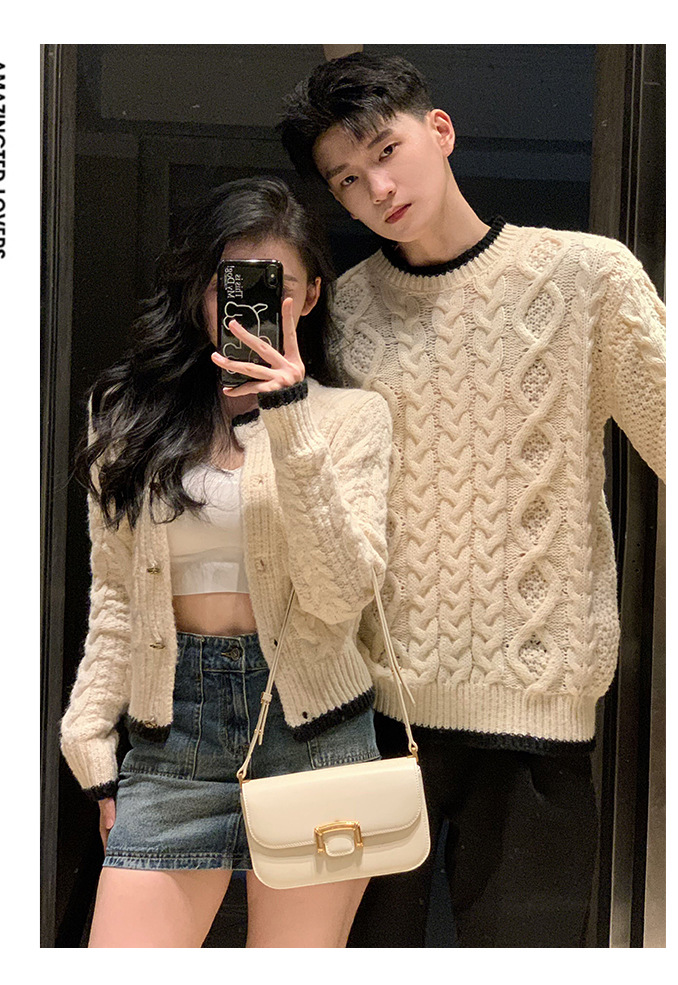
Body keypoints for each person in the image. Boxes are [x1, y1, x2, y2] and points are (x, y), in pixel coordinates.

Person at [278, 52, 666, 947]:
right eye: (347, 178)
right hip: (377, 721)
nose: (377, 187)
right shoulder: (346, 314)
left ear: (440, 130)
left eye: (386, 150)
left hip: (537, 720)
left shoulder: (587, 278)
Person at [59, 176, 393, 948]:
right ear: (201, 294)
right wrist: (90, 738)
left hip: (317, 733)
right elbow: (116, 595)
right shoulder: (126, 416)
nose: (249, 309)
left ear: (310, 296)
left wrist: (291, 420)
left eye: (274, 287)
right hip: (173, 735)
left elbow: (343, 593)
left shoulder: (352, 419)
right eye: (231, 285)